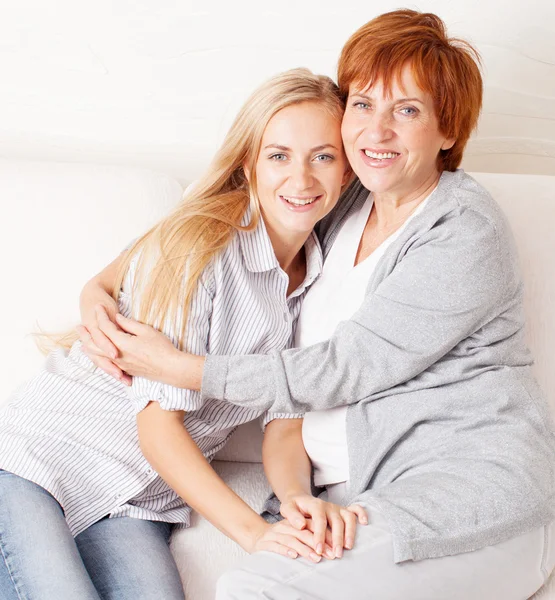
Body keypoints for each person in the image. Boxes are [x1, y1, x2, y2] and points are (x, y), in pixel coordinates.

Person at [89, 10, 555, 599]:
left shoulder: (463, 229)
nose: (377, 131)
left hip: (471, 503)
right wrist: (96, 287)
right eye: (363, 104)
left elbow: (342, 369)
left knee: (255, 590)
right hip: (363, 505)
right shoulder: (339, 204)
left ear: (448, 132)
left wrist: (181, 368)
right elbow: (220, 208)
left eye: (407, 110)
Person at [0, 68, 359, 600]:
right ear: (249, 163)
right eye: (278, 155)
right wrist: (254, 534)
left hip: (137, 501)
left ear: (349, 169)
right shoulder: (204, 248)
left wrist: (292, 500)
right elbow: (158, 428)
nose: (302, 179)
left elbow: (285, 423)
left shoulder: (326, 281)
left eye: (323, 156)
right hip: (37, 460)